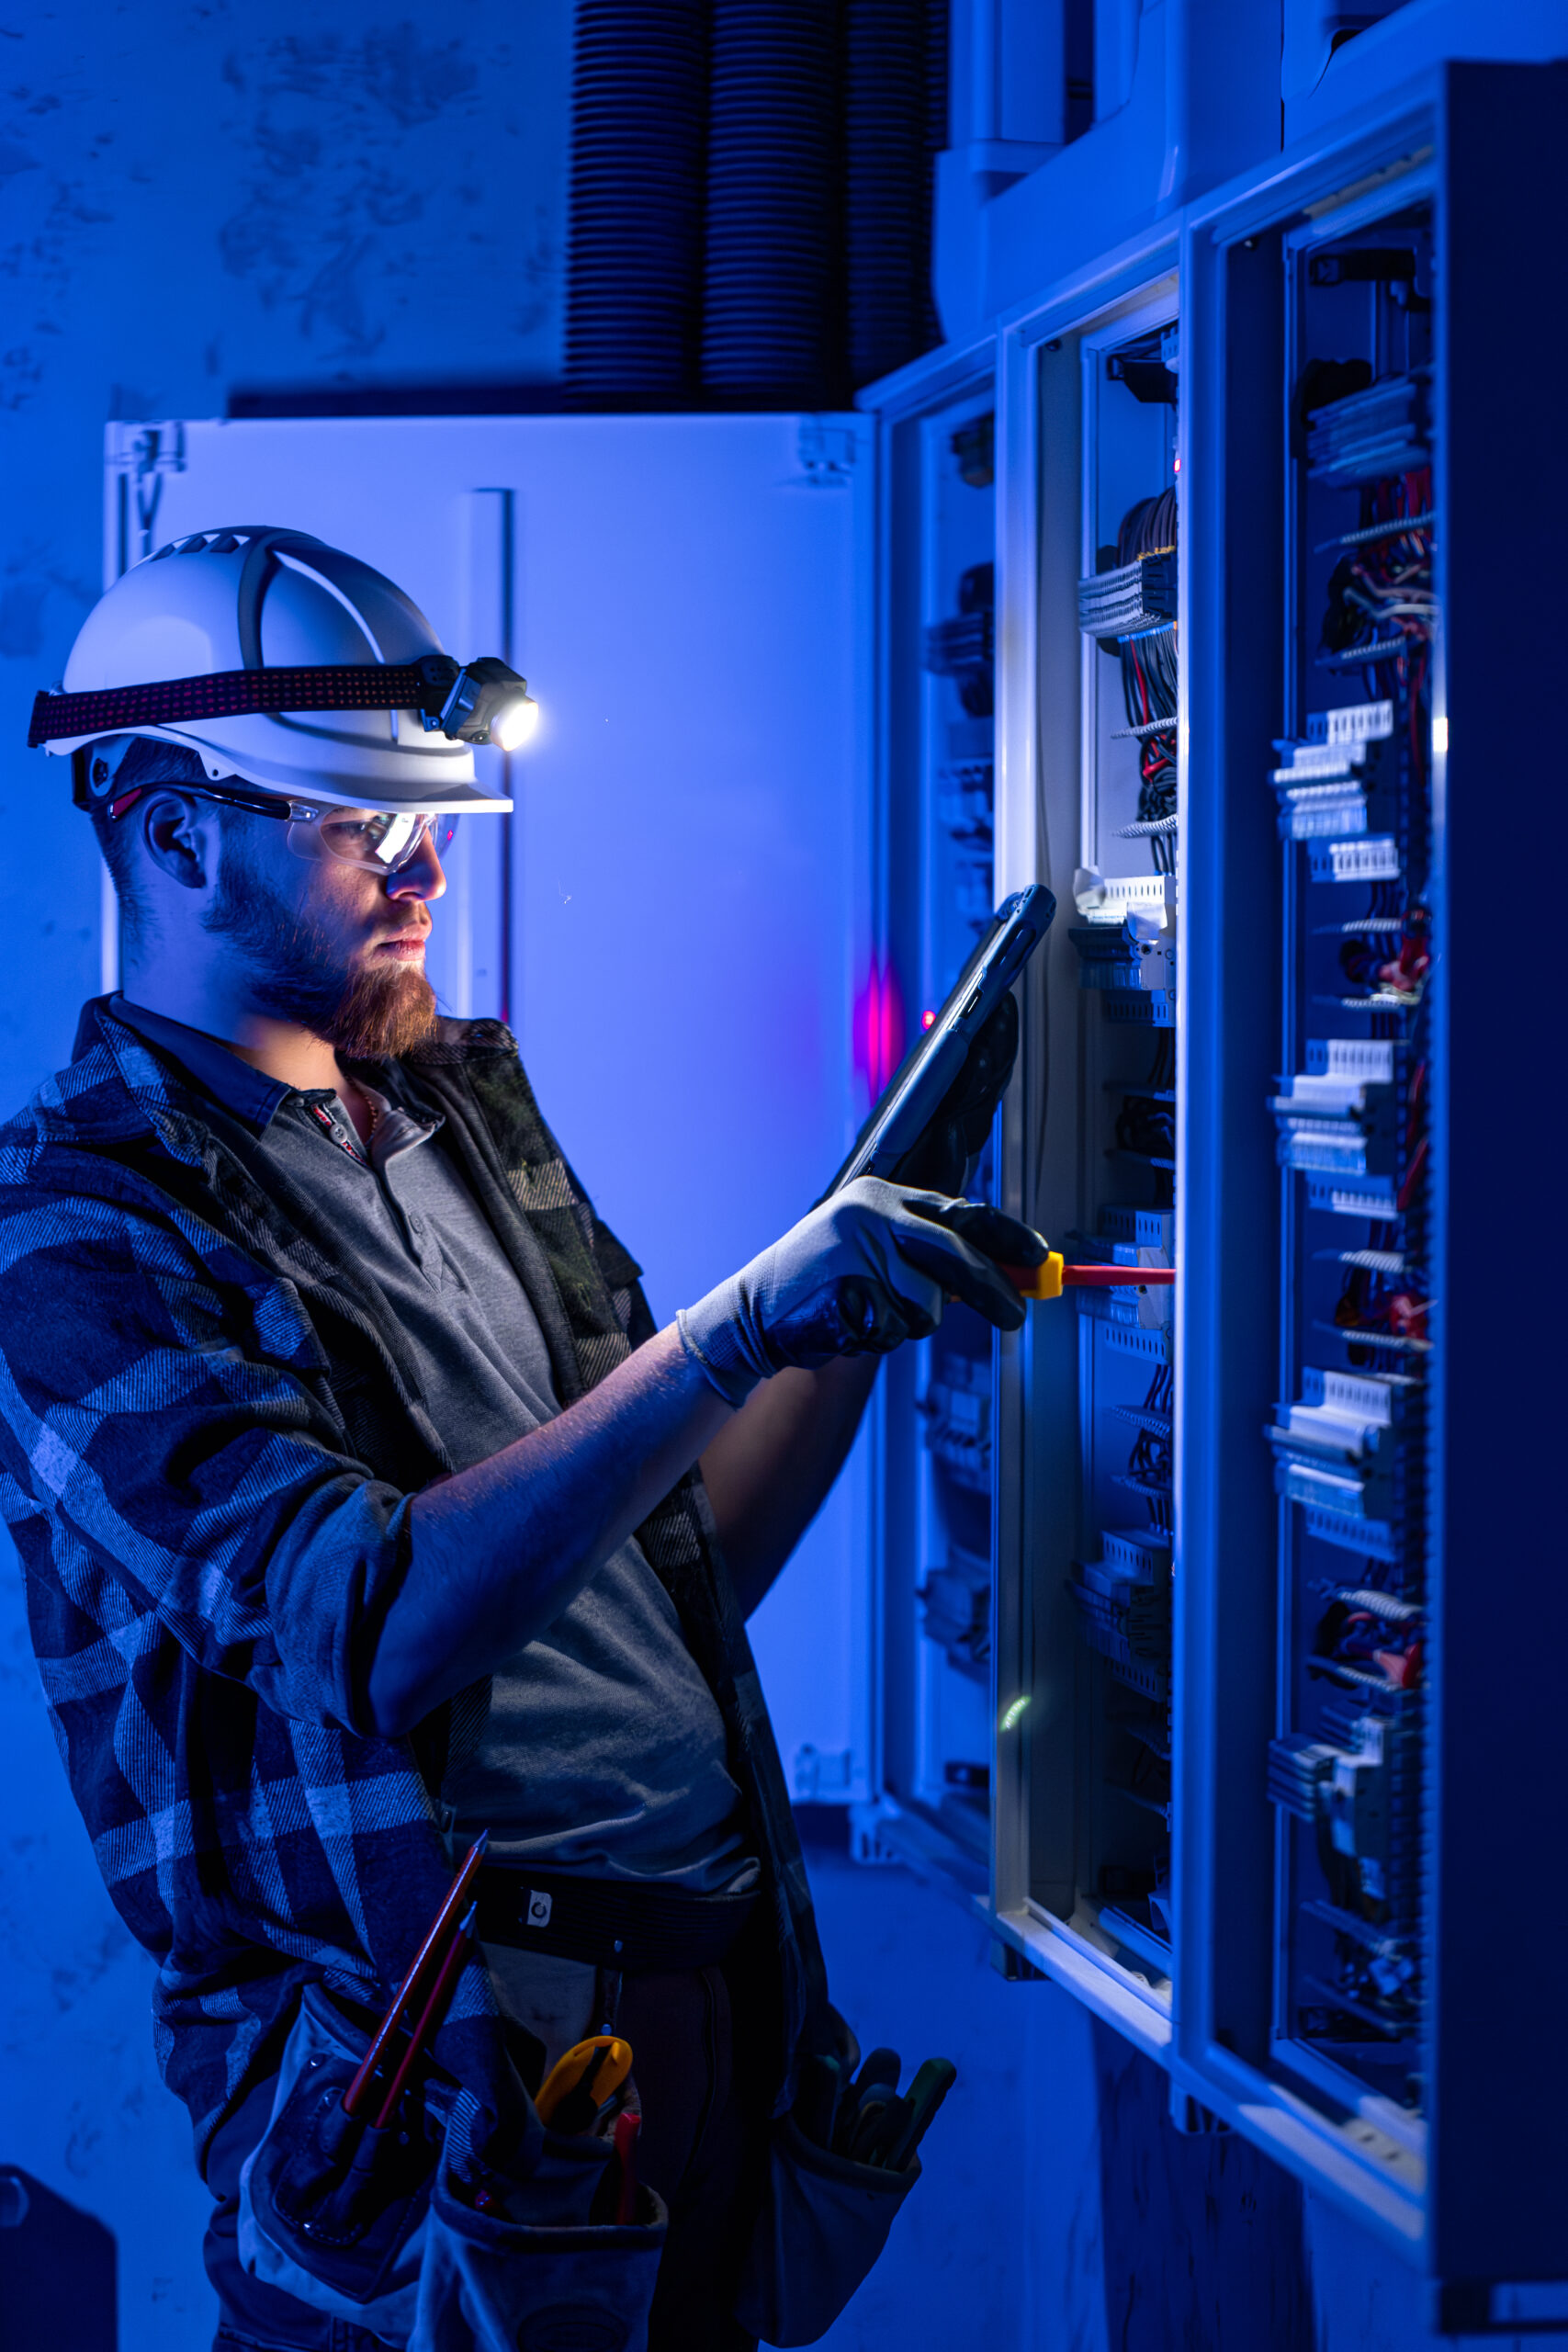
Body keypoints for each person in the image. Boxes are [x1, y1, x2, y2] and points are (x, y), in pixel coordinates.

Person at [1, 528, 1030, 2352]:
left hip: (702, 2005)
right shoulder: (71, 1236)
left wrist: (841, 1310)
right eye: (353, 820)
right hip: (444, 2095)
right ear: (172, 835)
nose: (422, 862)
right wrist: (740, 1318)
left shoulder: (462, 1105)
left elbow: (664, 1564)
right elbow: (368, 1623)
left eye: (432, 812)